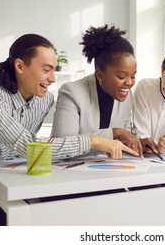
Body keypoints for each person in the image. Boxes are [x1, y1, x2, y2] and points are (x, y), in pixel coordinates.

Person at [0, 34, 137, 226]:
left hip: (9, 175)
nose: (53, 79)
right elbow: (29, 147)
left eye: (54, 70)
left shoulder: (44, 100)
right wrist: (93, 140)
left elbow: (27, 149)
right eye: (46, 70)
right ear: (20, 66)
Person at [52, 25, 142, 155]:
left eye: (133, 76)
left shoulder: (126, 95)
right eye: (121, 76)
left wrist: (138, 142)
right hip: (74, 171)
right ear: (100, 75)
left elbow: (125, 137)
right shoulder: (71, 92)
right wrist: (114, 133)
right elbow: (60, 144)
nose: (129, 83)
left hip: (111, 170)